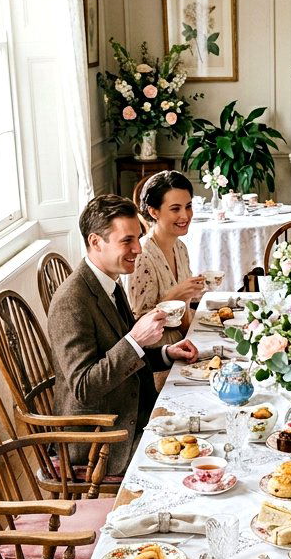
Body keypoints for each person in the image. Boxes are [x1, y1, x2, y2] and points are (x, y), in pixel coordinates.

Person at [48, 194, 198, 477]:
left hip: (133, 411)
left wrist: (166, 353)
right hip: (101, 437)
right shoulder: (72, 300)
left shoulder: (109, 284)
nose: (138, 249)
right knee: (196, 462)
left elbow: (123, 353)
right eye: (127, 240)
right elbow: (84, 387)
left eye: (138, 238)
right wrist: (136, 340)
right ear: (96, 242)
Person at [129, 170, 207, 388]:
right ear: (153, 212)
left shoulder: (180, 248)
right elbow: (136, 326)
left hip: (184, 346)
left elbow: (186, 310)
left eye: (188, 206)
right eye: (175, 209)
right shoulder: (142, 257)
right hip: (157, 363)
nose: (185, 216)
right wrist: (175, 295)